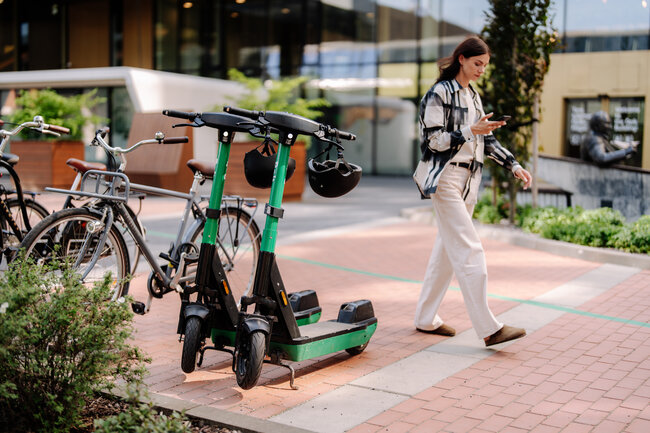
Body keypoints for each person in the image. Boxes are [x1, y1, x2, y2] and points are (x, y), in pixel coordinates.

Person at [414, 35, 533, 347]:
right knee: (470, 249)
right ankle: (489, 328)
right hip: (445, 179)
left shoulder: (473, 96)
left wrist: (514, 165)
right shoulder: (439, 93)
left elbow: (485, 140)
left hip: (469, 181)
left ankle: (425, 318)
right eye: (478, 63)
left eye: (485, 65)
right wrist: (469, 130)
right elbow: (433, 141)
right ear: (462, 59)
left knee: (446, 253)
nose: (482, 69)